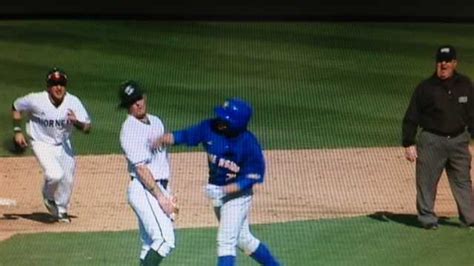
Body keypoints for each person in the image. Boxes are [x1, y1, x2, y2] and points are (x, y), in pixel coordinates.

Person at [156, 98, 280, 266]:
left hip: (238, 197)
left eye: (226, 120)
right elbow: (186, 135)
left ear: (237, 124)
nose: (220, 121)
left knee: (225, 242)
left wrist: (225, 190)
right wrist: (164, 138)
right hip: (218, 194)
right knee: (244, 240)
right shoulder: (209, 127)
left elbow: (251, 178)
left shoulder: (249, 144)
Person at [402, 45, 474, 230]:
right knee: (426, 181)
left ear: (454, 63)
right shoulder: (425, 87)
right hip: (432, 140)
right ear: (436, 63)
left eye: (447, 60)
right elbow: (412, 115)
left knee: (463, 181)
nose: (444, 64)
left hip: (459, 140)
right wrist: (409, 142)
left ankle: (470, 219)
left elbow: (472, 114)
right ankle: (427, 219)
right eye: (441, 60)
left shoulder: (465, 84)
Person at [11, 67, 91, 223]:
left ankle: (61, 211)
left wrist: (77, 123)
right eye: (54, 84)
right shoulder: (36, 99)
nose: (58, 87)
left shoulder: (73, 102)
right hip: (40, 142)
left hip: (63, 143)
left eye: (61, 83)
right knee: (55, 174)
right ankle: (48, 196)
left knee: (67, 178)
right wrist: (17, 131)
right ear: (48, 87)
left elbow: (87, 127)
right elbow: (16, 106)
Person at [118, 80, 178, 266]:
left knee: (150, 243)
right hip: (144, 188)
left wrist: (167, 192)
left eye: (139, 98)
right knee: (165, 240)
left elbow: (160, 161)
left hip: (157, 187)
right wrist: (161, 197)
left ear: (144, 97)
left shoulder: (157, 121)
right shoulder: (129, 129)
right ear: (127, 106)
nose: (138, 103)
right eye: (132, 101)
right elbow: (142, 169)